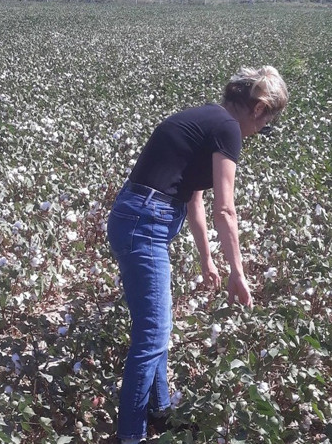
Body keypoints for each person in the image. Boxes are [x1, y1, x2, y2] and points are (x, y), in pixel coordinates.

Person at [106, 66, 289, 444]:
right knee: (152, 336)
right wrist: (237, 271)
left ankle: (160, 411)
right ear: (258, 109)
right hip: (146, 220)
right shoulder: (227, 129)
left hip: (139, 215)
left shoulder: (206, 119)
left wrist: (208, 258)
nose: (258, 134)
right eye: (265, 124)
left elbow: (195, 204)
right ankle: (131, 436)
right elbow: (226, 209)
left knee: (157, 329)